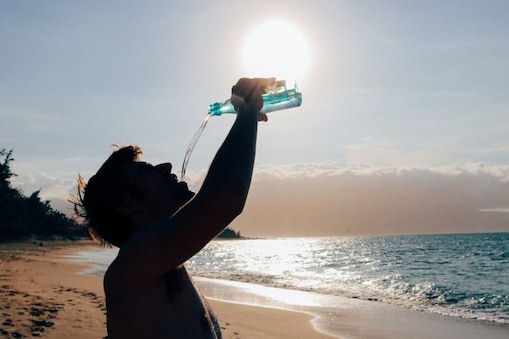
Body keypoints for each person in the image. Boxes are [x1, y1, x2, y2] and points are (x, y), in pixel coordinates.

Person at [75, 78, 272, 338]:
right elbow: (225, 199)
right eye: (146, 170)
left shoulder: (162, 264)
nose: (166, 166)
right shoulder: (133, 266)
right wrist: (246, 112)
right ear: (128, 203)